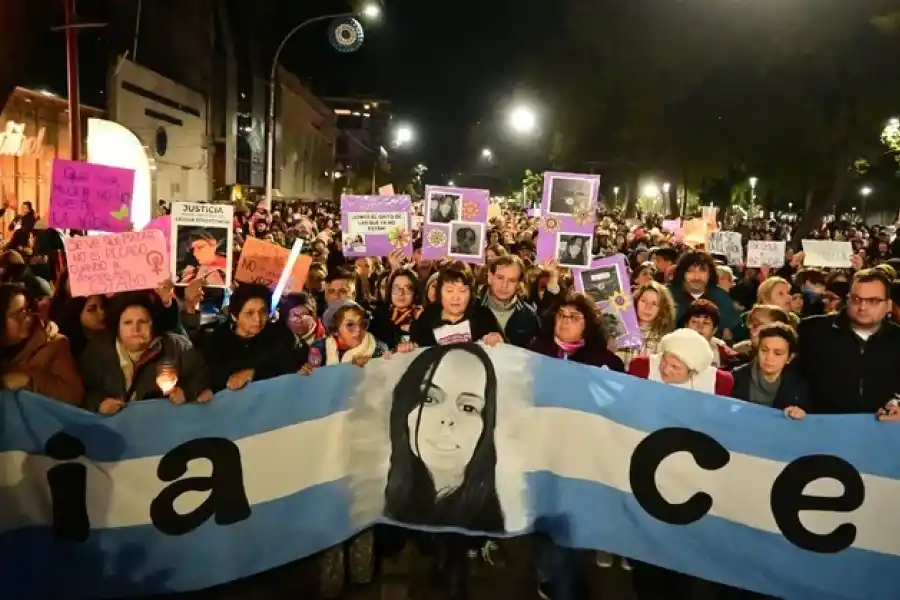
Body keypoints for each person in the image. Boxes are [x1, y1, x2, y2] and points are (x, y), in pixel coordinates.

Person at [80, 292, 211, 414]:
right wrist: (99, 403)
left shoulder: (177, 346)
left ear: (153, 324)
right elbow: (83, 391)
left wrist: (186, 391)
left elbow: (203, 376)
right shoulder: (98, 350)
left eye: (142, 322)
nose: (136, 329)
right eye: (127, 323)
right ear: (117, 326)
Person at [798, 268, 900, 416]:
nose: (863, 307)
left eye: (873, 301)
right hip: (823, 428)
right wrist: (797, 403)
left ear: (888, 305)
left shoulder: (897, 338)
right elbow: (796, 376)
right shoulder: (813, 331)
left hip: (883, 430)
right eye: (856, 299)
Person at [194, 284, 302, 393]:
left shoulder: (280, 335)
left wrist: (254, 373)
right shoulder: (215, 342)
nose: (258, 319)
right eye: (249, 313)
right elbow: (209, 379)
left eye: (262, 311)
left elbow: (294, 364)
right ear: (234, 316)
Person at [0, 283, 83, 405]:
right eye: (18, 314)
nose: (27, 318)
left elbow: (74, 395)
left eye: (28, 311)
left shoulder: (54, 344)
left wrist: (29, 380)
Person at [409, 263, 503, 348]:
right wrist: (408, 348)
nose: (456, 298)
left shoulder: (483, 316)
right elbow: (416, 349)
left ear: (471, 293)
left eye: (462, 291)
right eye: (449, 291)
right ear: (439, 292)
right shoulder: (427, 317)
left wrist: (496, 339)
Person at [731, 323, 809, 417]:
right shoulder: (736, 377)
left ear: (790, 358)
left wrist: (799, 413)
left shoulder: (799, 384)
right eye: (764, 350)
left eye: (778, 353)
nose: (769, 358)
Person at [530, 292, 624, 370]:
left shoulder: (603, 361)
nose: (565, 320)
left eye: (574, 317)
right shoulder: (537, 350)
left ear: (588, 324)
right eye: (561, 314)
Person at [628, 328, 734, 396]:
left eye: (675, 367)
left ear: (692, 371)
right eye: (663, 361)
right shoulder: (642, 368)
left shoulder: (718, 382)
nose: (665, 369)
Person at [668, 250, 739, 338]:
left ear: (710, 274)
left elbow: (731, 334)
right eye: (690, 271)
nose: (697, 277)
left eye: (702, 271)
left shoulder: (721, 298)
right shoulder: (668, 297)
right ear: (682, 273)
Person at [302, 300, 387, 369]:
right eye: (350, 325)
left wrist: (370, 368)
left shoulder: (378, 349)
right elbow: (313, 379)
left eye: (362, 324)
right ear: (335, 329)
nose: (358, 330)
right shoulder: (319, 347)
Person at [480, 255, 540, 348]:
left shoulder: (529, 316)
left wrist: (505, 345)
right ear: (490, 277)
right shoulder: (472, 308)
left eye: (511, 281)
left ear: (519, 284)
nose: (504, 285)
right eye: (500, 278)